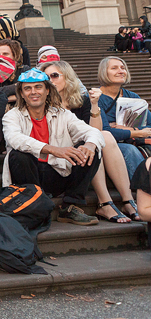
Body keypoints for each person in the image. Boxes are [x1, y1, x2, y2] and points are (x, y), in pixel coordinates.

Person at [2, 68, 103, 226]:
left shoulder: (63, 114)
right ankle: (36, 206)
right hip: (30, 175)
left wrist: (90, 144)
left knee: (92, 148)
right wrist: (52, 149)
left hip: (58, 173)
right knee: (18, 155)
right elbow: (14, 139)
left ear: (47, 90)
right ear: (21, 94)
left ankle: (70, 206)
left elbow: (92, 132)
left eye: (38, 87)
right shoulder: (12, 115)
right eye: (27, 88)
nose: (33, 92)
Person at [41, 60, 139, 222]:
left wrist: (94, 105)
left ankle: (128, 200)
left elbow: (96, 131)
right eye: (45, 77)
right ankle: (105, 202)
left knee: (103, 136)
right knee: (92, 144)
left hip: (85, 150)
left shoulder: (80, 100)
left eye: (54, 75)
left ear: (67, 77)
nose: (49, 80)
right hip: (61, 156)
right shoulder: (41, 103)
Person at [96, 56, 151, 179]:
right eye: (114, 68)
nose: (121, 71)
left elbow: (149, 124)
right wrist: (137, 132)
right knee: (129, 150)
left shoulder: (133, 97)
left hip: (134, 141)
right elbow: (105, 131)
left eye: (123, 68)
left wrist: (132, 131)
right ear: (104, 72)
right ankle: (144, 187)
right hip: (110, 146)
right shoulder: (96, 98)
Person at [0, 39, 31, 106]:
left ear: (14, 56)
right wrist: (16, 87)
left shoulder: (24, 70)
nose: (1, 57)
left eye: (5, 54)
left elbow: (30, 90)